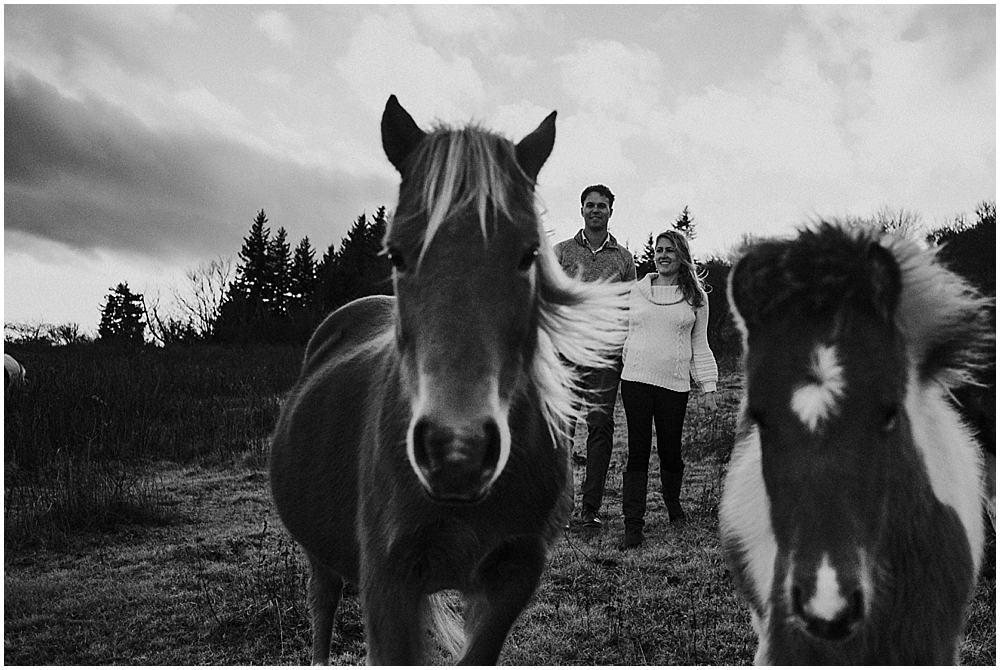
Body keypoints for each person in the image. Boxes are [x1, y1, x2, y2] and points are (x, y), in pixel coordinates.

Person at [618, 230, 718, 549]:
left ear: (681, 257)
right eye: (659, 250)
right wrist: (629, 362)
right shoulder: (637, 291)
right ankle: (633, 524)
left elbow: (700, 345)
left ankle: (673, 506)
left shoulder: (696, 298)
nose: (662, 255)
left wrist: (709, 385)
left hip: (674, 385)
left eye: (670, 251)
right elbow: (625, 335)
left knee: (671, 452)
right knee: (638, 451)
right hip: (636, 382)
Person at [554, 184, 637, 529]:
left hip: (606, 356)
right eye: (590, 205)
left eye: (602, 205)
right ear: (582, 210)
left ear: (611, 211)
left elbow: (633, 306)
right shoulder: (560, 252)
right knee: (562, 430)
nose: (596, 210)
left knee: (600, 427)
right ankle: (561, 508)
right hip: (567, 353)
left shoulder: (624, 259)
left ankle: (591, 510)